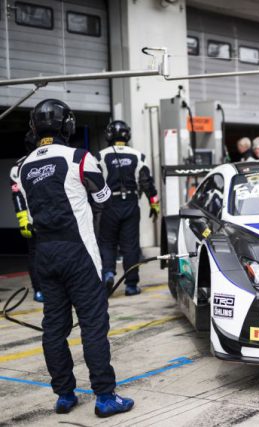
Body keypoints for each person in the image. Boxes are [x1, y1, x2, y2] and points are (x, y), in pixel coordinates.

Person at [18, 99, 133, 416]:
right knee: (94, 326)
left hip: (45, 256)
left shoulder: (24, 168)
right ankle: (106, 397)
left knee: (54, 329)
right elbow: (103, 198)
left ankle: (65, 395)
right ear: (66, 125)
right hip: (79, 254)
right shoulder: (79, 158)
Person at [96, 120, 160, 296]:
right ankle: (131, 285)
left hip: (109, 204)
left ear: (109, 135)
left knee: (107, 242)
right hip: (131, 204)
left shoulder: (100, 156)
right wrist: (155, 205)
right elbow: (147, 182)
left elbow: (94, 182)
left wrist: (94, 206)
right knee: (130, 246)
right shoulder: (137, 156)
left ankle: (108, 273)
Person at [9, 131, 43, 302]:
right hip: (43, 220)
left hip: (37, 219)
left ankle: (45, 290)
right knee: (37, 254)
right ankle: (39, 290)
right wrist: (24, 221)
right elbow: (17, 195)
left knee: (38, 253)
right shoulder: (18, 167)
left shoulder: (18, 165)